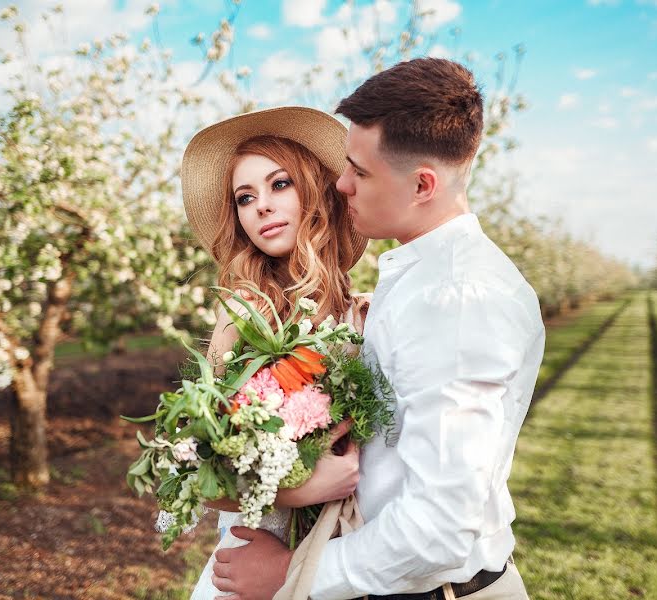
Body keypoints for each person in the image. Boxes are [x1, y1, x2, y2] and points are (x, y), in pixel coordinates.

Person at [213, 58, 545, 600]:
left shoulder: (457, 300)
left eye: (360, 172)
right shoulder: (405, 287)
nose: (340, 185)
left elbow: (438, 528)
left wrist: (294, 574)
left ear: (422, 185)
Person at [175, 106, 373, 600]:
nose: (261, 206)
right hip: (253, 558)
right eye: (245, 197)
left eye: (279, 184)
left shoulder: (364, 316)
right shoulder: (244, 313)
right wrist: (303, 490)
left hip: (340, 560)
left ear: (316, 190)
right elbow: (196, 466)